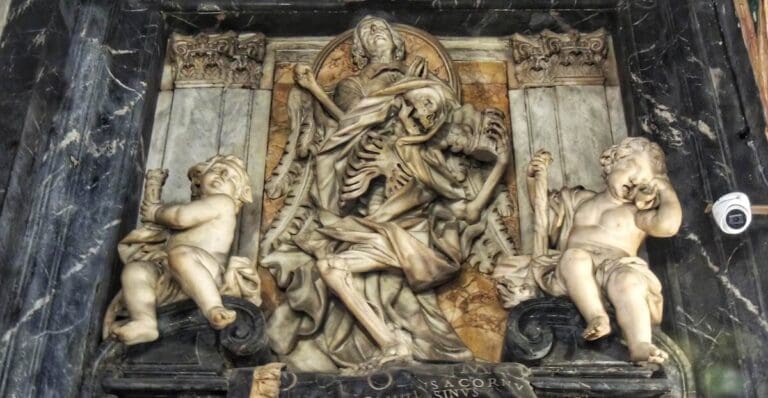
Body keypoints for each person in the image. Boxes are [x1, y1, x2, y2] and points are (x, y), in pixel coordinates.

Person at [530, 137, 682, 363]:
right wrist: (536, 181)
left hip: (615, 268)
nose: (637, 179)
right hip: (574, 273)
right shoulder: (578, 200)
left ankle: (640, 344)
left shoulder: (637, 214)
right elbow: (545, 216)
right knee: (574, 257)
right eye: (632, 167)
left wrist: (666, 190)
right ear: (610, 162)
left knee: (628, 281)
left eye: (642, 183)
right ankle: (597, 316)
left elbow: (668, 226)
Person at [108, 155, 253, 345]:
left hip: (204, 273)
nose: (223, 174)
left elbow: (180, 217)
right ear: (199, 177)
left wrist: (156, 212)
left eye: (233, 178)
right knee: (136, 270)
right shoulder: (202, 205)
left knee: (181, 254)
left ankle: (214, 308)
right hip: (172, 276)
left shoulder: (223, 202)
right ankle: (144, 321)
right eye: (216, 169)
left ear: (237, 196)